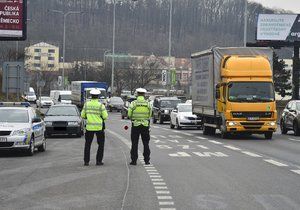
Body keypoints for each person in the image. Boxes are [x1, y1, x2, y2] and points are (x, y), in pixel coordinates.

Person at [81, 89, 108, 166]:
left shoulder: (86, 104)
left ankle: (86, 161)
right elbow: (105, 116)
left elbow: (82, 115)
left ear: (91, 96)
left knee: (87, 145)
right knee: (101, 144)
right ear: (98, 96)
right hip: (99, 128)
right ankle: (98, 161)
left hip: (89, 128)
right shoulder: (100, 105)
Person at [128, 88, 152, 165]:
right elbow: (150, 114)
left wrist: (133, 119)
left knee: (134, 143)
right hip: (145, 125)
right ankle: (147, 160)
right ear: (144, 94)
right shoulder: (148, 103)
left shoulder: (133, 103)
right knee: (146, 143)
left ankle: (134, 160)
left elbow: (129, 114)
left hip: (135, 125)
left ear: (137, 94)